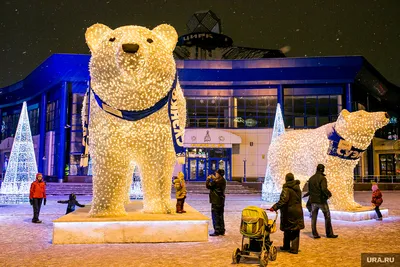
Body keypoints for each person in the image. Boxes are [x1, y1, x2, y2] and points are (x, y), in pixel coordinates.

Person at [269, 173, 304, 254]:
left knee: (287, 229)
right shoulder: (297, 188)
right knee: (295, 230)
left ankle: (287, 246)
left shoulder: (286, 189)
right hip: (298, 211)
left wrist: (274, 207)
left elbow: (283, 201)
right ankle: (293, 248)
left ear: (286, 179)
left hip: (289, 212)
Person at [308, 164, 338, 239]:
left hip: (313, 201)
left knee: (313, 218)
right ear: (322, 169)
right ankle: (329, 233)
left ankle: (314, 234)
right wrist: (329, 194)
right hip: (321, 201)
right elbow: (324, 189)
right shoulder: (322, 178)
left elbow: (310, 190)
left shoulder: (311, 178)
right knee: (327, 216)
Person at [206, 169, 226, 236]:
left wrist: (208, 179)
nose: (215, 174)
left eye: (216, 173)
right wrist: (214, 178)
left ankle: (217, 230)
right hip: (221, 200)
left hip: (215, 200)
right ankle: (222, 230)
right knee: (220, 215)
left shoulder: (217, 182)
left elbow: (208, 186)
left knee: (215, 215)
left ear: (219, 174)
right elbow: (216, 181)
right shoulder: (223, 180)